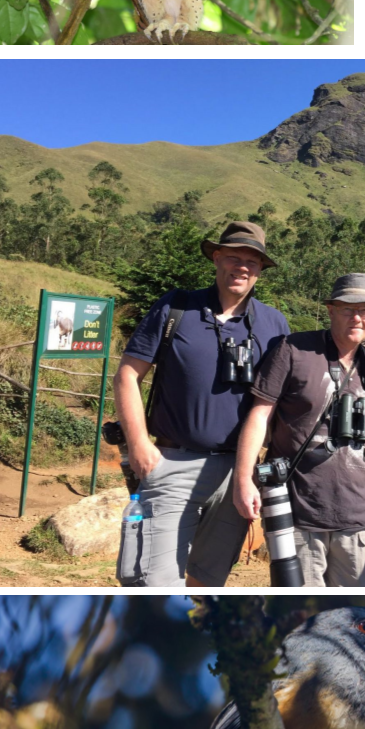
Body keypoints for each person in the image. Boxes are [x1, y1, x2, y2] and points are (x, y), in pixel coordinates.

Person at [113, 221, 289, 587]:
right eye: (234, 257)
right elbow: (127, 375)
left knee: (207, 582)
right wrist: (140, 445)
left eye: (252, 261)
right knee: (153, 582)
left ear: (260, 270)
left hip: (236, 474)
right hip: (171, 463)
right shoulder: (176, 308)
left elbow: (282, 398)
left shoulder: (274, 324)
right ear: (216, 258)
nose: (242, 266)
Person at [233, 273, 365, 587]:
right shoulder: (294, 350)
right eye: (348, 309)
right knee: (301, 615)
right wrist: (243, 479)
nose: (358, 318)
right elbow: (259, 415)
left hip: (360, 519)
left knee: (356, 618)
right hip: (299, 516)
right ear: (330, 309)